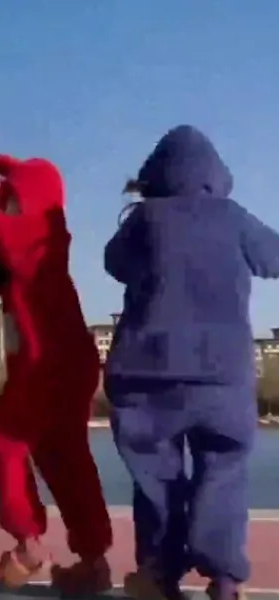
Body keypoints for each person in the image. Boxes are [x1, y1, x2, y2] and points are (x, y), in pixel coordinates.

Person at [104, 124, 279, 600]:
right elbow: (274, 258)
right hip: (223, 375)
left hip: (146, 373)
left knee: (155, 475)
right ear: (216, 176)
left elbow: (114, 264)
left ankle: (160, 573)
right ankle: (224, 578)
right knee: (224, 469)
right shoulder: (233, 216)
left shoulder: (145, 218)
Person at [0, 148, 112, 594]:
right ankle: (94, 558)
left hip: (46, 363)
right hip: (70, 362)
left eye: (10, 200)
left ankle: (28, 543)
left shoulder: (29, 234)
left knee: (5, 444)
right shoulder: (45, 235)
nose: (4, 207)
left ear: (27, 201)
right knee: (66, 458)